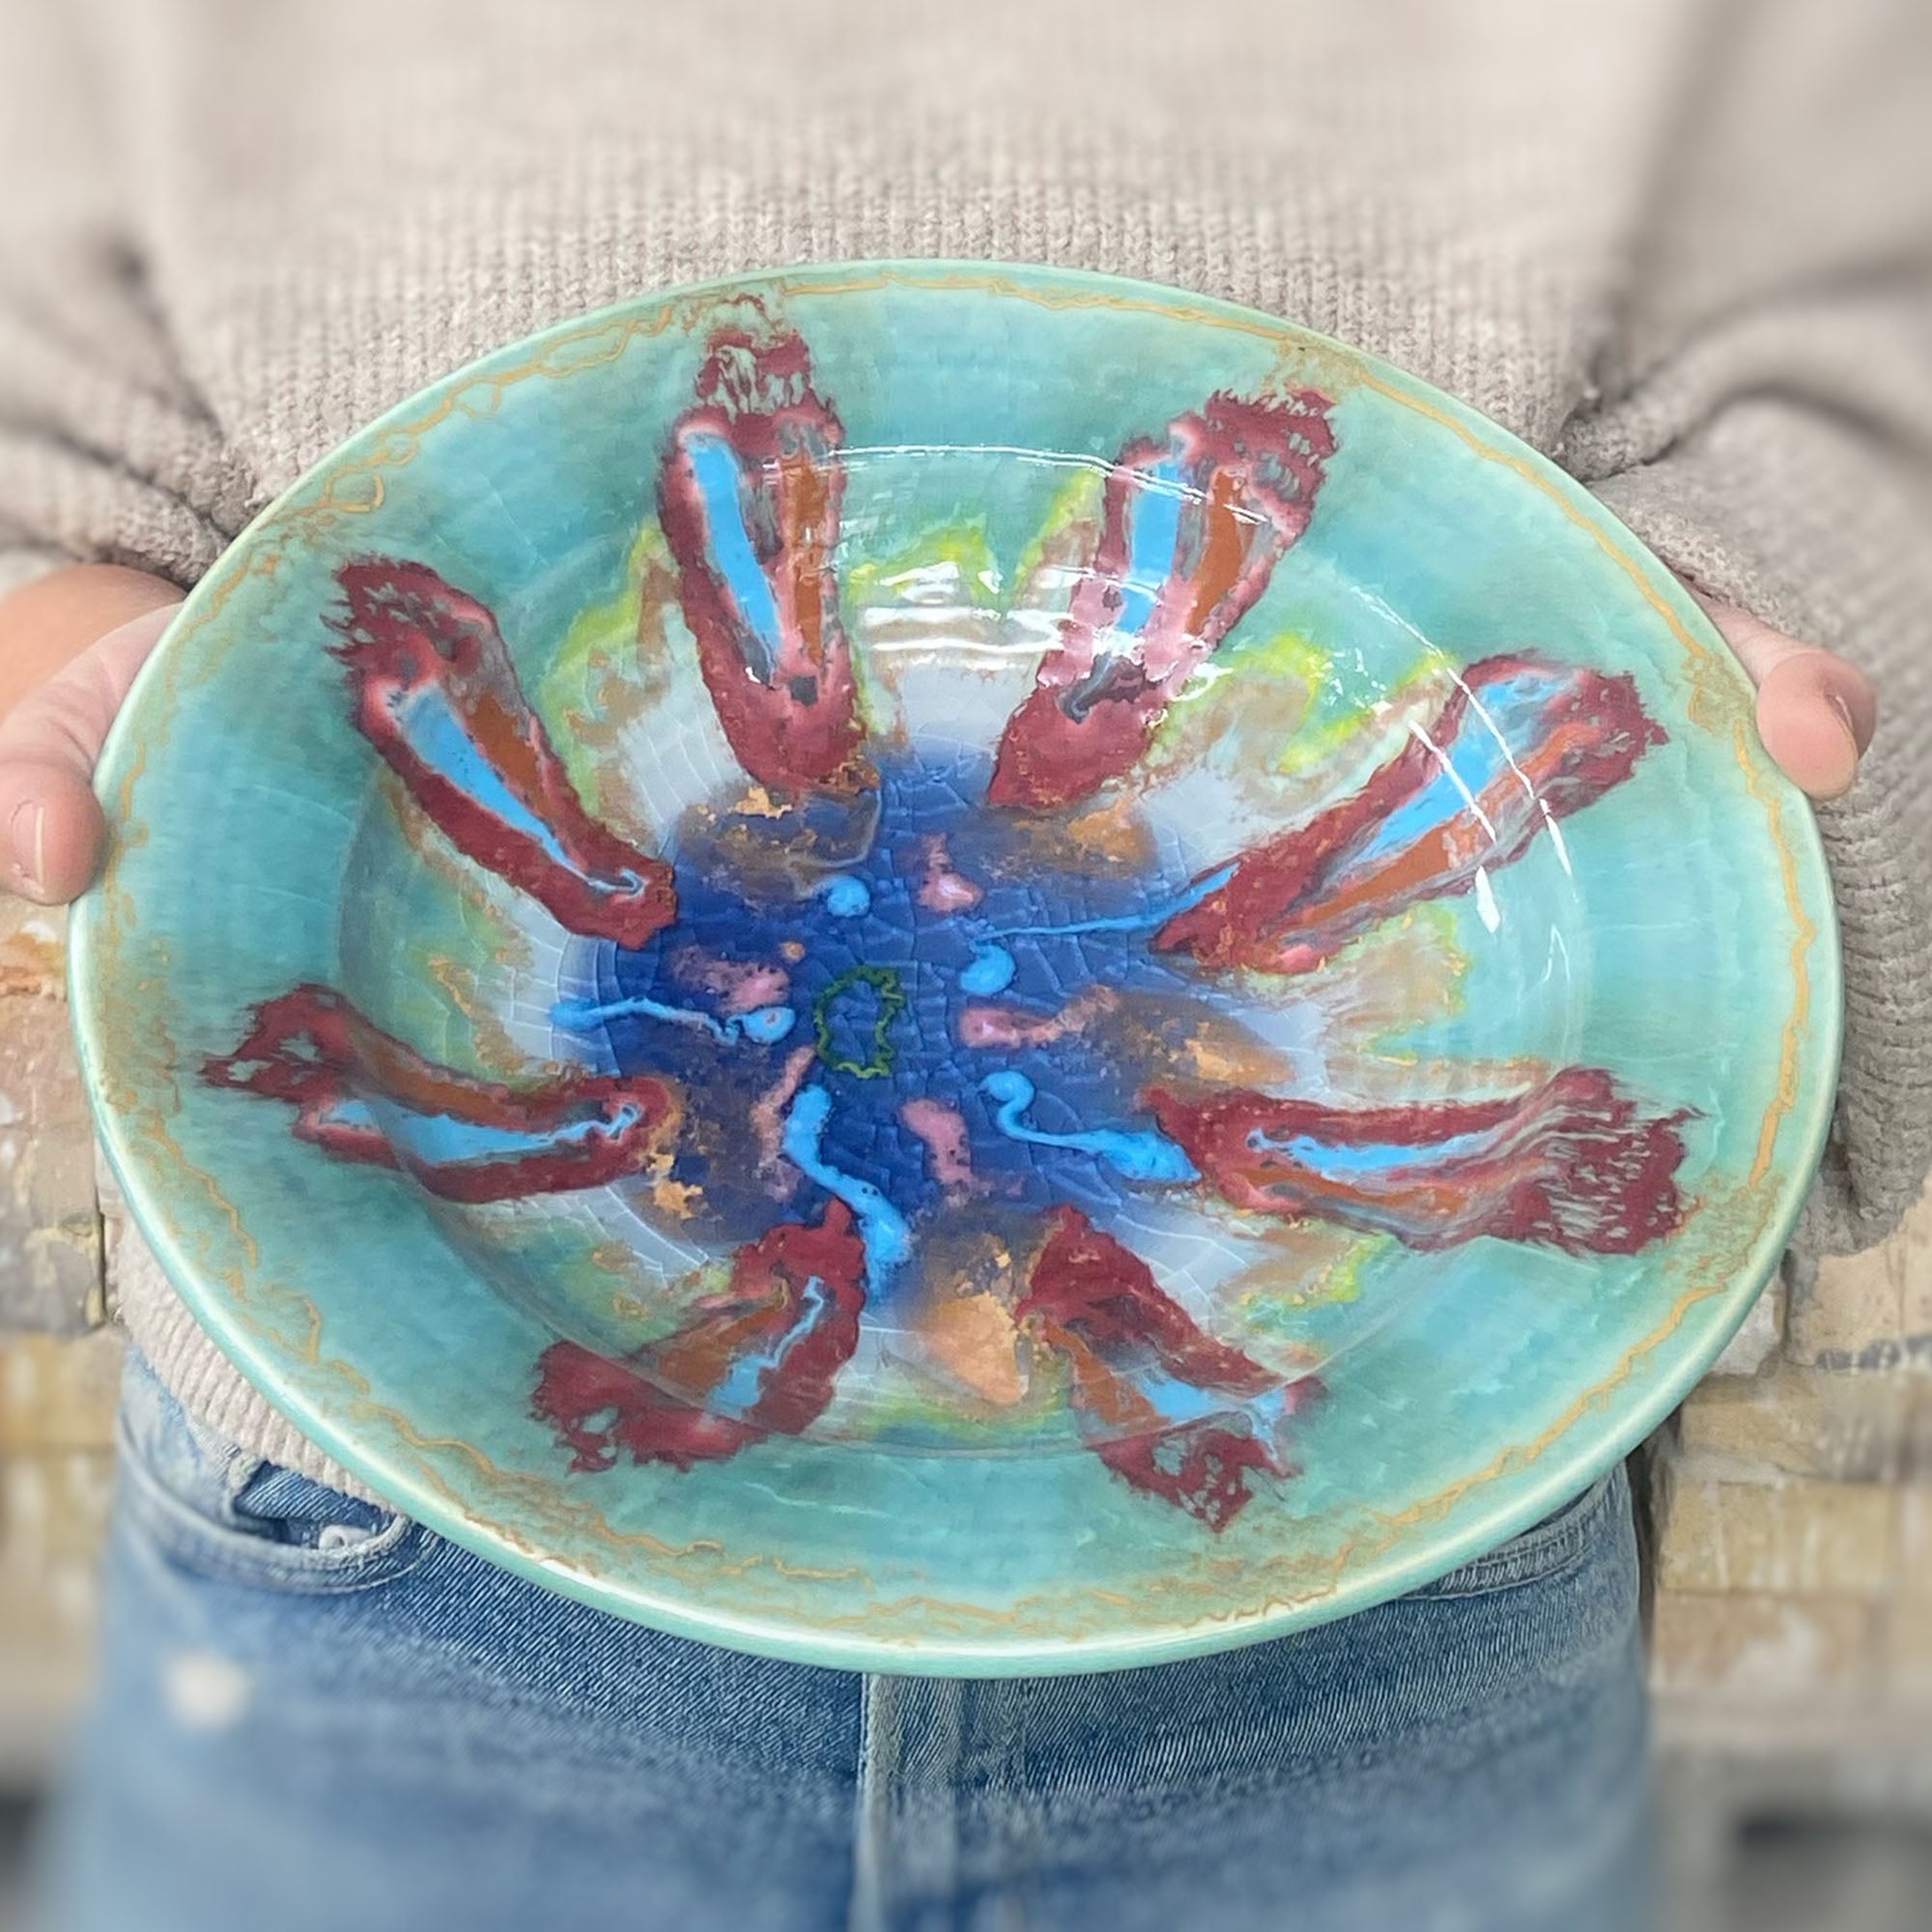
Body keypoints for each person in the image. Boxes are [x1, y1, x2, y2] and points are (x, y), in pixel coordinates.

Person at [1, 3, 1925, 1928]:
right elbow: (46, 445)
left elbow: (1856, 371)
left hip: (1375, 1586)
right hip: (387, 1564)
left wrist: (1735, 700)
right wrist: (117, 692)